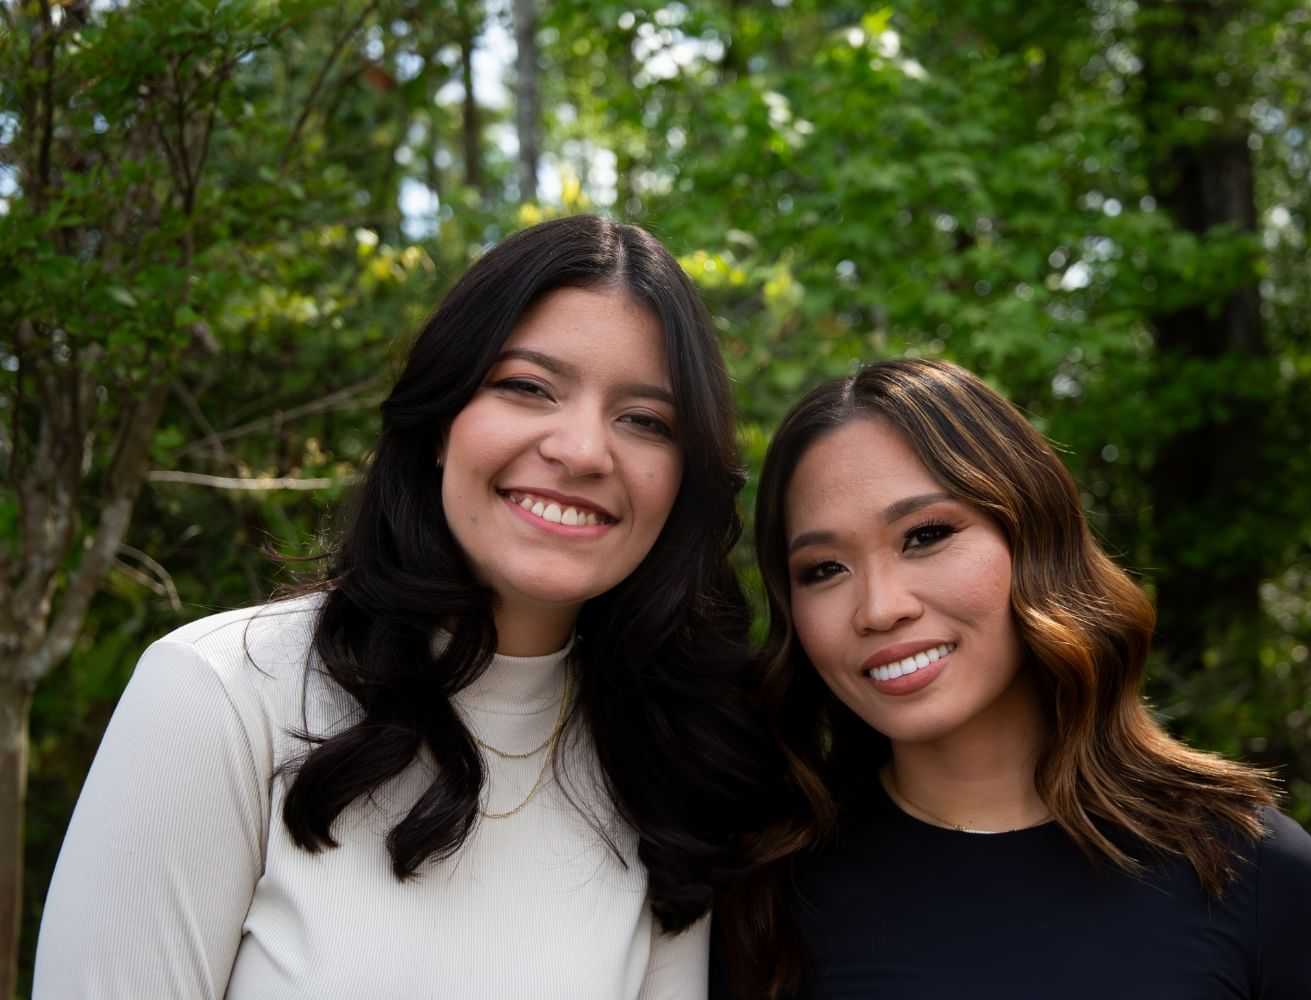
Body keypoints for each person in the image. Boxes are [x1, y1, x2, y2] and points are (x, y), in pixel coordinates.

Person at [34, 215, 769, 998]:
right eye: (527, 387)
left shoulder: (668, 761)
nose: (584, 450)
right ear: (440, 423)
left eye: (645, 421)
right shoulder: (219, 695)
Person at [713, 358, 1311, 999]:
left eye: (926, 534)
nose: (880, 608)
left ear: (1035, 538)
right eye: (824, 569)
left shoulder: (1250, 870)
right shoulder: (765, 895)